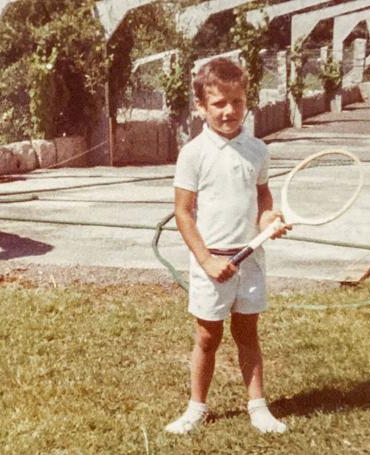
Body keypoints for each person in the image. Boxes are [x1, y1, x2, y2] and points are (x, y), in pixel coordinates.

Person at [165, 57, 290, 435]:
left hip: (250, 259)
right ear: (201, 107)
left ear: (246, 101)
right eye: (218, 103)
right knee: (207, 336)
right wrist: (205, 260)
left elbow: (263, 195)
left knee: (247, 333)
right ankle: (196, 408)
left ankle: (258, 407)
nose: (228, 111)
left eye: (236, 101)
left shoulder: (258, 150)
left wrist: (267, 218)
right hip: (212, 264)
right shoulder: (193, 154)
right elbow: (183, 213)